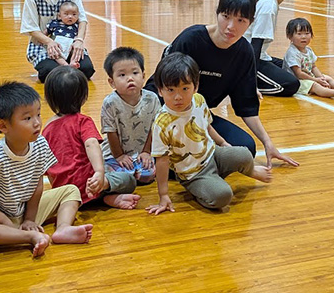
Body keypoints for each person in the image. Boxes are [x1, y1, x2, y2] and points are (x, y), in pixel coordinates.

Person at [145, 0, 298, 168]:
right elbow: (163, 83)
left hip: (197, 115)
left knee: (245, 148)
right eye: (226, 16)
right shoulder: (191, 39)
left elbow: (246, 106)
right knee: (181, 145)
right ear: (217, 13)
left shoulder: (244, 53)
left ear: (250, 22)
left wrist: (268, 143)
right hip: (163, 108)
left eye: (241, 20)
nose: (231, 27)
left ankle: (190, 163)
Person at [0, 81, 92, 253]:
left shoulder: (40, 143)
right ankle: (28, 237)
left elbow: (38, 184)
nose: (37, 123)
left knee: (70, 190)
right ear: (3, 126)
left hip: (25, 211)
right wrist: (3, 221)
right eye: (28, 118)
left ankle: (63, 229)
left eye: (38, 114)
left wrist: (30, 219)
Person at [146, 53, 271, 214]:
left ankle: (247, 171)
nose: (178, 97)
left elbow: (208, 126)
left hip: (213, 154)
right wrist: (163, 195)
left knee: (244, 153)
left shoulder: (198, 100)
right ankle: (203, 186)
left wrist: (223, 144)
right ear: (160, 91)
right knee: (223, 196)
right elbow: (162, 161)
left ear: (195, 87)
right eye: (170, 90)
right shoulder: (162, 123)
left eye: (185, 89)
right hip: (193, 174)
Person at [41, 67, 141, 209]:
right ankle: (104, 190)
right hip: (91, 185)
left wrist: (59, 189)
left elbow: (47, 167)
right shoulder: (82, 121)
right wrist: (99, 173)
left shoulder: (47, 129)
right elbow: (91, 144)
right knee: (129, 180)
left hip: (68, 196)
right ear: (83, 97)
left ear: (49, 98)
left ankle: (102, 199)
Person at [20, 0, 94, 83]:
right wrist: (50, 42)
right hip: (43, 45)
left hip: (69, 43)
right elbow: (31, 29)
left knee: (86, 69)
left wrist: (79, 41)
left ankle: (66, 64)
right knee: (49, 73)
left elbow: (82, 20)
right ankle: (62, 65)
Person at [100, 46, 160, 185]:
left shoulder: (152, 99)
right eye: (122, 75)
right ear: (112, 82)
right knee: (120, 176)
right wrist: (119, 156)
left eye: (135, 73)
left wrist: (146, 152)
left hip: (142, 152)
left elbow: (155, 128)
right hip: (115, 154)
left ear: (143, 76)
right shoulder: (110, 103)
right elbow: (111, 132)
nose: (130, 78)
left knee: (148, 176)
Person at [243, 0, 299, 96]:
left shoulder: (270, 0)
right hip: (246, 59)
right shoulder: (268, 6)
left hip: (259, 55)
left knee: (292, 69)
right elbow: (255, 45)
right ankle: (238, 83)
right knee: (291, 84)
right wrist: (250, 83)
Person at [284, 18, 334, 100]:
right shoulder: (292, 53)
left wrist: (322, 78)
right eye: (299, 34)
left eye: (307, 33)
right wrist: (316, 80)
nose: (303, 37)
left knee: (327, 78)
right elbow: (299, 74)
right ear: (290, 36)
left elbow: (313, 67)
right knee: (314, 85)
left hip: (309, 77)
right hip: (297, 81)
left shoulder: (308, 50)